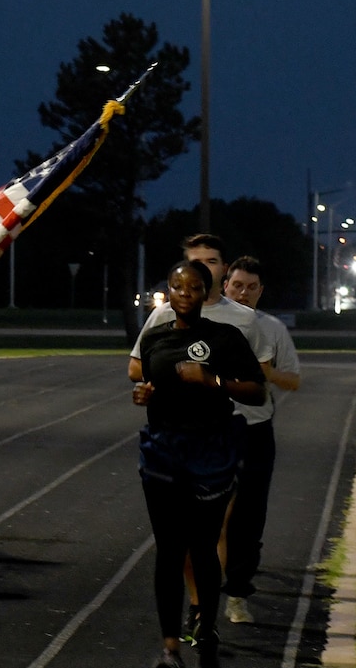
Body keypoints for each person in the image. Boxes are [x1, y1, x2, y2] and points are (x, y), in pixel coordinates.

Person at [129, 233, 275, 635]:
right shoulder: (158, 327)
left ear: (217, 273)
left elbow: (258, 381)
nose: (188, 289)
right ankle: (176, 640)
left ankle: (215, 610)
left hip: (223, 439)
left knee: (218, 531)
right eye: (180, 282)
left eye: (209, 265)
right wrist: (147, 390)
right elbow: (139, 370)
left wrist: (212, 380)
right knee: (171, 548)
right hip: (165, 446)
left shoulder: (241, 322)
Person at [218, 256, 301, 623]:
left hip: (255, 430)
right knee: (210, 514)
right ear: (225, 286)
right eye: (237, 285)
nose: (244, 293)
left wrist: (267, 374)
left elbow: (294, 380)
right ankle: (203, 591)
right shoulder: (207, 322)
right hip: (211, 429)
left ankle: (237, 593)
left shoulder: (273, 329)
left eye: (252, 287)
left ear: (261, 291)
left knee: (249, 515)